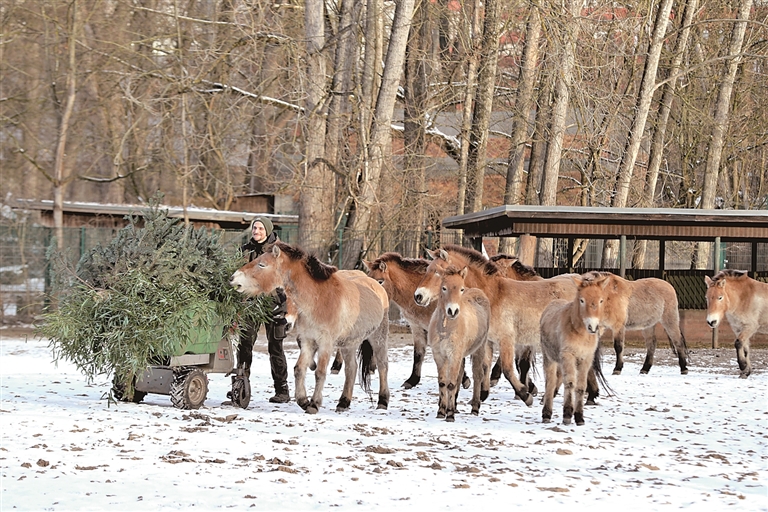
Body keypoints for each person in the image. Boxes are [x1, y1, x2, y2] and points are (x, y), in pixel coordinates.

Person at [238, 216, 290, 403]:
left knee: (275, 347)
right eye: (254, 228)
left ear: (267, 231)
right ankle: (240, 387)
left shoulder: (279, 252)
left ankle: (282, 390)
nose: (256, 232)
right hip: (251, 304)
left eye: (260, 229)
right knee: (244, 346)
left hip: (274, 304)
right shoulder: (245, 251)